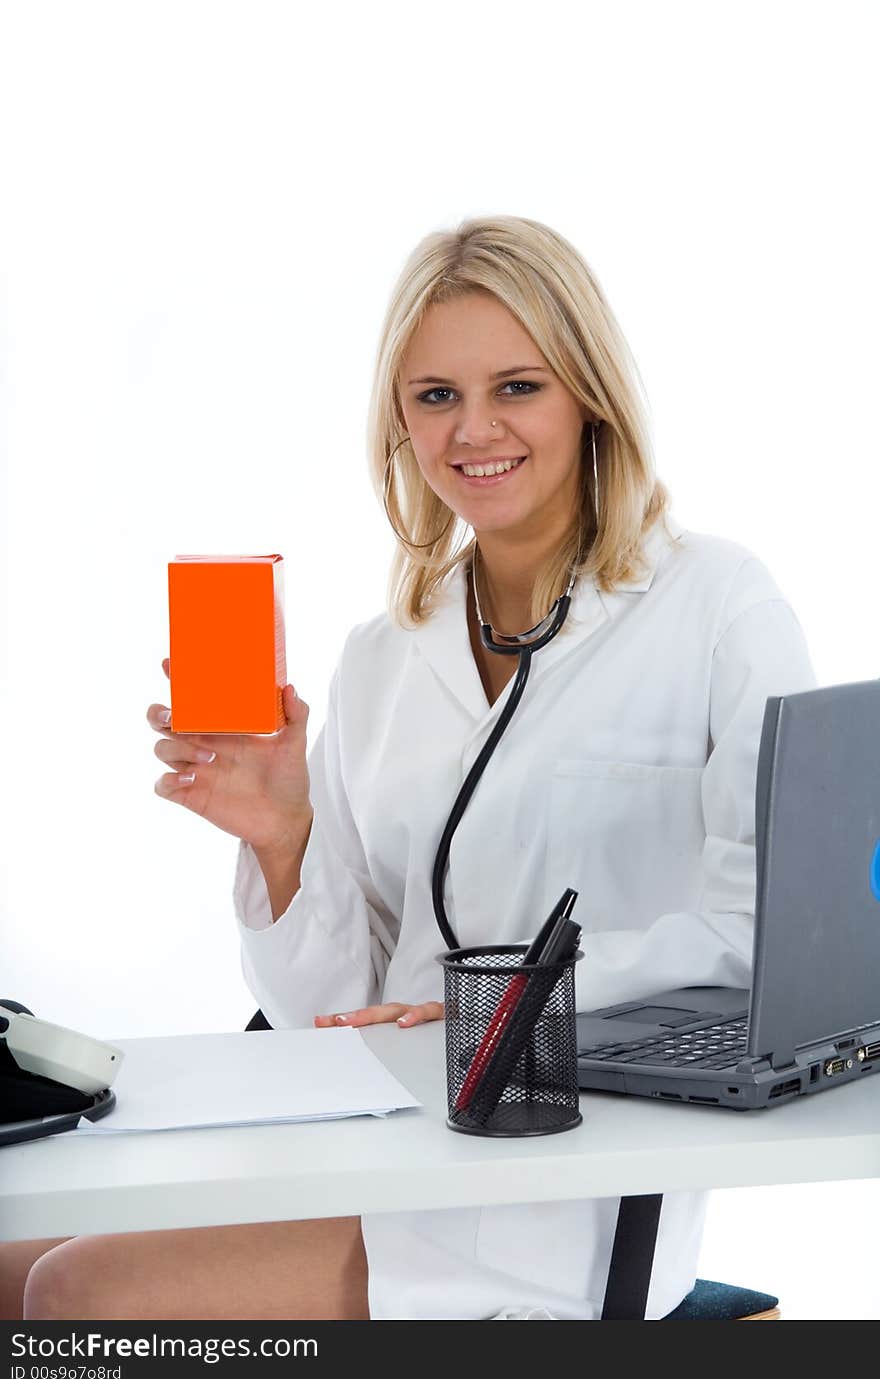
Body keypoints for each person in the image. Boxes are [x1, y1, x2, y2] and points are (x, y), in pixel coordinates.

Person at [5, 214, 816, 1320]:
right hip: (378, 1140)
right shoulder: (385, 654)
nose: (473, 430)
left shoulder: (717, 604)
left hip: (567, 1174)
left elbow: (758, 943)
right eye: (435, 396)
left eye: (516, 386)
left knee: (79, 1297)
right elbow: (335, 1018)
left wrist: (487, 1008)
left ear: (589, 395)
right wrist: (285, 841)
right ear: (400, 420)